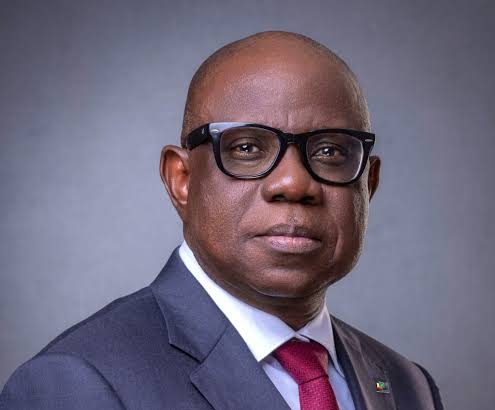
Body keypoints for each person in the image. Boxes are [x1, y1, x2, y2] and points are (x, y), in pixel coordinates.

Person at [0, 31, 443, 410]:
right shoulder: (75, 385)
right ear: (182, 180)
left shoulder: (408, 385)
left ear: (368, 183)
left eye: (330, 151)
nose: (294, 183)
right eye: (247, 148)